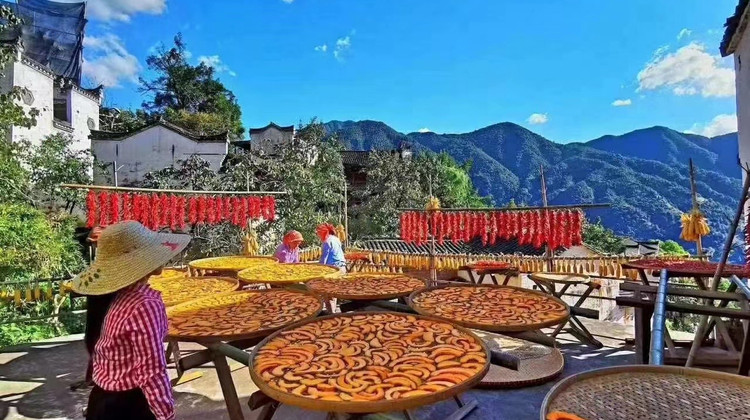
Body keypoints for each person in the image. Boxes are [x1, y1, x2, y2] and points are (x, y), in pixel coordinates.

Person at [72, 221, 190, 420]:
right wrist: (166, 415)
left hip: (101, 400)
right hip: (128, 406)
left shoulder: (118, 296)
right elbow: (152, 371)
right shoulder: (145, 305)